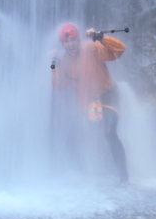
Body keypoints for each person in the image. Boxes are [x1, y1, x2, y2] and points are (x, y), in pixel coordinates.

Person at [51, 23, 129, 183]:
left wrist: (101, 37)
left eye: (73, 40)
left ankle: (124, 179)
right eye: (66, 42)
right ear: (62, 44)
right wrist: (54, 63)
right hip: (88, 104)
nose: (70, 44)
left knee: (109, 132)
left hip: (108, 95)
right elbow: (58, 86)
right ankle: (86, 175)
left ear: (78, 39)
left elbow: (120, 50)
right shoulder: (62, 61)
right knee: (77, 134)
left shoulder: (92, 48)